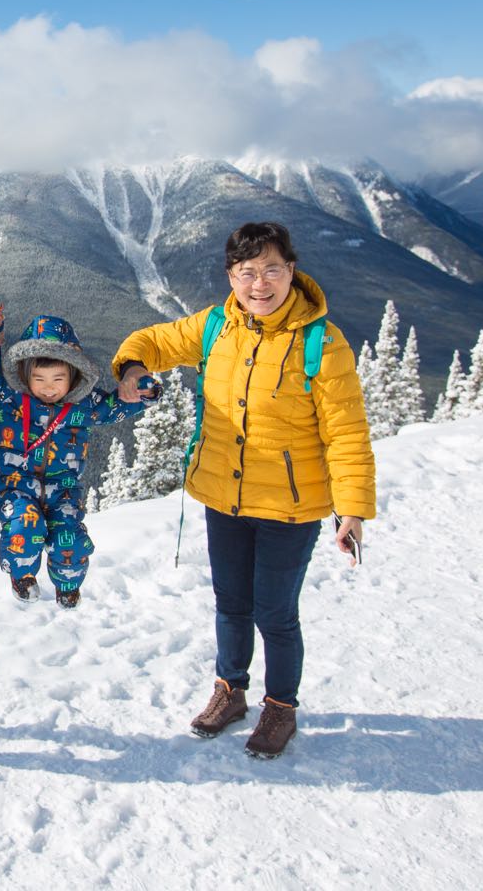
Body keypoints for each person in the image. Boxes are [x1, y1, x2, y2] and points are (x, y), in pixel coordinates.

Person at [112, 221, 374, 759]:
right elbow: (156, 340)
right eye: (247, 272)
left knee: (275, 613)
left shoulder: (322, 343)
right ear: (231, 276)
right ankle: (230, 691)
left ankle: (281, 707)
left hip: (290, 506)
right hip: (223, 497)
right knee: (231, 604)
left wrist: (352, 509)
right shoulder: (216, 327)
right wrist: (134, 365)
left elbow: (347, 431)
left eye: (272, 270)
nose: (260, 284)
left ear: (291, 272)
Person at [0, 305, 153, 609]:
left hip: (64, 489)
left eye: (58, 379)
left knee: (70, 537)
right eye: (39, 379)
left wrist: (141, 396)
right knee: (25, 527)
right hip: (12, 483)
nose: (49, 388)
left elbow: (116, 405)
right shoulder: (9, 396)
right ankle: (23, 576)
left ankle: (68, 585)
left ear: (74, 377)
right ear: (25, 374)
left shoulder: (83, 405)